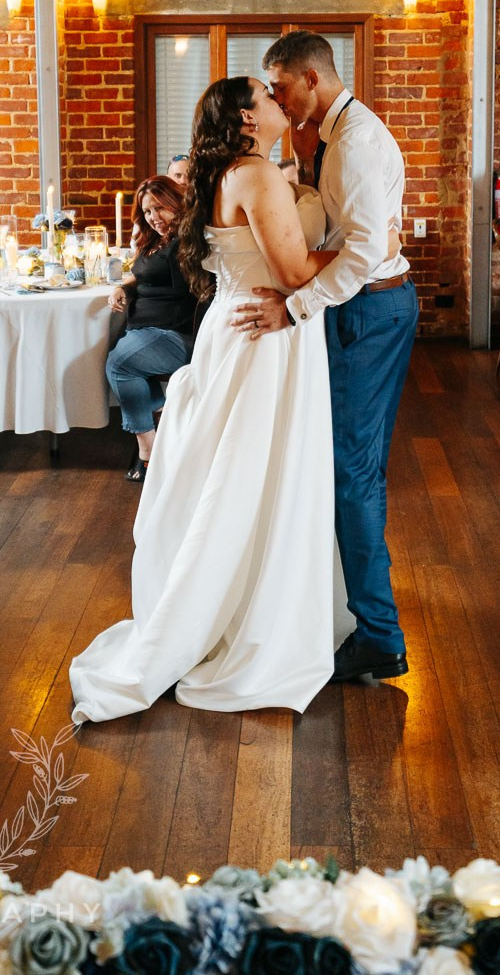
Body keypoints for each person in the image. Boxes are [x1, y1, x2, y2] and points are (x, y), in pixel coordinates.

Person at [70, 77, 339, 721]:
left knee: (241, 467)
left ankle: (248, 596)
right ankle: (245, 614)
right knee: (251, 471)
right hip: (263, 334)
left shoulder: (238, 171)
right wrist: (368, 250)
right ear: (247, 117)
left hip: (239, 324)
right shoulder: (255, 175)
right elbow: (294, 272)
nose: (279, 99)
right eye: (267, 95)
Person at [232, 31, 419, 686]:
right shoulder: (331, 136)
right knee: (354, 468)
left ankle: (380, 637)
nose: (277, 99)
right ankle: (353, 612)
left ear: (312, 77)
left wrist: (295, 308)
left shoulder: (357, 141)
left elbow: (364, 252)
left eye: (281, 87)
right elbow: (359, 234)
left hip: (369, 311)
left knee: (352, 473)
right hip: (368, 306)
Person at [106, 176, 197, 483]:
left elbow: (194, 288)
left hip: (175, 333)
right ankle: (160, 424)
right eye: (147, 211)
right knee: (120, 360)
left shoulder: (186, 241)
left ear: (177, 203)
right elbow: (143, 273)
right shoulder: (157, 239)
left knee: (119, 364)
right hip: (145, 330)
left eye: (160, 208)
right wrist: (123, 286)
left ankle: (148, 448)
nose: (154, 217)